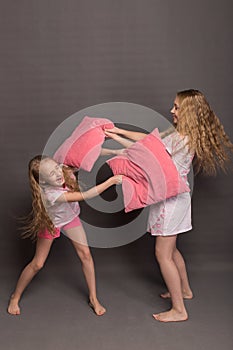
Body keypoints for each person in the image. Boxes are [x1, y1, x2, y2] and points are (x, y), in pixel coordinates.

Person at [105, 89, 233, 322]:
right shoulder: (183, 136)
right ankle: (184, 290)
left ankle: (179, 309)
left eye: (177, 107)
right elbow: (148, 142)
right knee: (172, 250)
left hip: (169, 202)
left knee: (162, 254)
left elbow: (145, 152)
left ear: (189, 113)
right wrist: (118, 132)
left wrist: (117, 142)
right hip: (178, 198)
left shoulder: (180, 139)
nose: (172, 111)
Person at [8, 155, 122, 316]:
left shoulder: (63, 171)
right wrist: (110, 182)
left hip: (70, 218)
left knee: (86, 255)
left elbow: (87, 156)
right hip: (51, 224)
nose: (58, 174)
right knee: (38, 264)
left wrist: (113, 150)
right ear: (44, 182)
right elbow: (84, 196)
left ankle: (93, 298)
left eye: (57, 168)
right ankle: (15, 297)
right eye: (51, 174)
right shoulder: (51, 194)